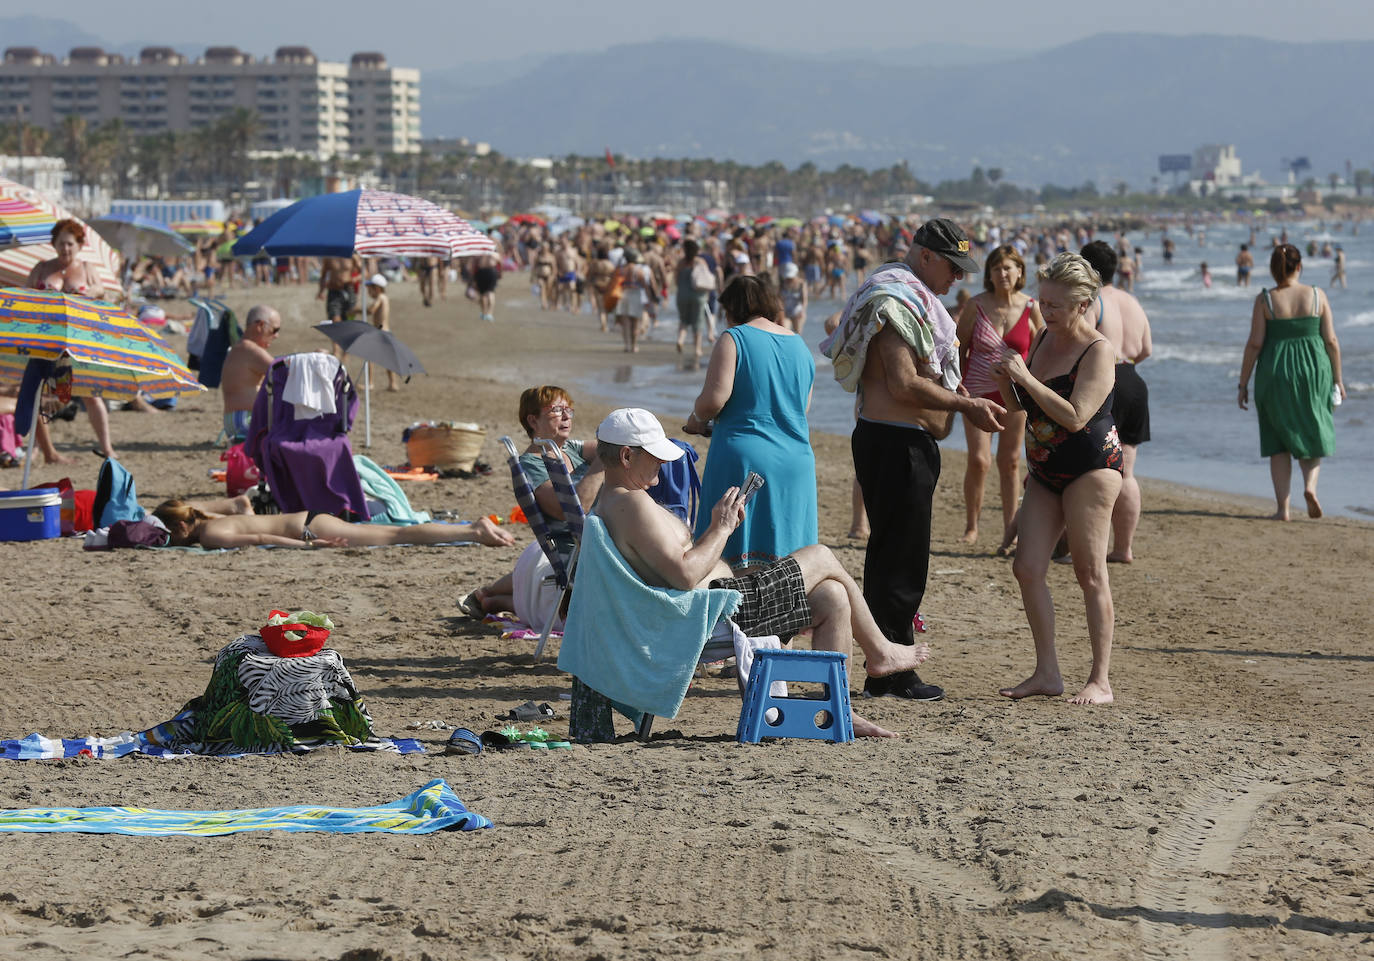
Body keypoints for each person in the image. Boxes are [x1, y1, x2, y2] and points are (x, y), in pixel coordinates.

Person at [594, 408, 934, 739]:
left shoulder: (615, 500)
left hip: (713, 605)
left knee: (832, 595)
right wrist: (722, 528)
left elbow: (673, 568)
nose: (663, 462)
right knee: (821, 555)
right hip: (711, 615)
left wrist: (721, 535)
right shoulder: (631, 504)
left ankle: (842, 709)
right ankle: (879, 652)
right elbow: (684, 575)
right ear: (627, 456)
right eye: (654, 455)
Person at [822, 218, 1005, 702]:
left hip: (896, 441)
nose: (959, 278)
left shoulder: (904, 296)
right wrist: (966, 404)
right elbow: (903, 384)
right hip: (895, 443)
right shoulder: (894, 302)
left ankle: (886, 662)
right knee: (900, 562)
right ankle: (892, 669)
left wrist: (951, 393)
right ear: (925, 256)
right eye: (953, 266)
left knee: (893, 558)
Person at [992, 252, 1123, 706]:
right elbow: (1021, 407)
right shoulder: (1045, 337)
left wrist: (1024, 376)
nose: (1045, 312)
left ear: (1083, 305)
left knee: (1090, 573)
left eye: (1056, 305)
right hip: (1045, 469)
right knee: (1027, 567)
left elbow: (1075, 415)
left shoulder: (1099, 351)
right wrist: (1007, 379)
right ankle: (1047, 671)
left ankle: (1100, 680)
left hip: (1091, 467)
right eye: (1043, 302)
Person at [685, 275, 815, 572]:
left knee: (730, 560)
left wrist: (696, 420)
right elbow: (801, 408)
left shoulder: (734, 338)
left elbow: (713, 400)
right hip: (796, 459)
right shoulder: (799, 344)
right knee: (787, 561)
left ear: (733, 307)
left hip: (744, 458)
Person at [459, 386, 605, 619]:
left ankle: (491, 598)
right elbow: (567, 510)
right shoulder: (532, 463)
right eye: (557, 410)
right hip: (570, 551)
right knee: (554, 605)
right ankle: (493, 599)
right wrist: (601, 464)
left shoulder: (570, 449)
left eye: (569, 410)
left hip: (581, 545)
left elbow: (610, 447)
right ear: (533, 420)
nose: (567, 416)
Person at [1238, 244, 1345, 520]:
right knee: (1314, 426)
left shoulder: (1265, 299)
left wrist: (1243, 383)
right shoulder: (1317, 295)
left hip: (1275, 369)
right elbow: (1331, 341)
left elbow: (1254, 343)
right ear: (1300, 267)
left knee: (1277, 438)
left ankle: (1283, 509)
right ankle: (1310, 487)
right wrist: (1338, 379)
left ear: (1273, 270)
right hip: (1314, 369)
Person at [954, 244, 1043, 547]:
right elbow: (959, 348)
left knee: (1010, 462)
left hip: (1017, 397)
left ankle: (1010, 529)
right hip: (977, 391)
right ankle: (971, 526)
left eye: (1008, 267)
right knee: (979, 460)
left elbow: (1044, 351)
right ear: (989, 274)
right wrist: (959, 386)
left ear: (1020, 272)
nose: (1002, 273)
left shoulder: (1031, 307)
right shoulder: (976, 305)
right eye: (996, 268)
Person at [1080, 242, 1153, 564]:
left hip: (1106, 380)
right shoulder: (1131, 300)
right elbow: (1146, 348)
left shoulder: (1094, 301)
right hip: (1135, 379)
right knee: (1128, 473)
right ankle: (1124, 547)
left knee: (1092, 468)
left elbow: (1079, 343)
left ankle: (1090, 544)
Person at [24, 218, 117, 460]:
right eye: (61, 243)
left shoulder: (86, 269)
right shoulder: (42, 268)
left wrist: (86, 293)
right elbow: (26, 295)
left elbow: (101, 293)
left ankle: (107, 448)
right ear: (54, 244)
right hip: (46, 337)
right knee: (37, 392)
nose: (65, 249)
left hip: (79, 337)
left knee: (91, 394)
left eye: (70, 244)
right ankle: (43, 449)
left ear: (79, 245)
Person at [155, 500, 514, 550]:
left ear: (182, 526)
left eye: (172, 532)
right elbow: (243, 503)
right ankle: (471, 529)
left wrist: (307, 547)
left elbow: (262, 537)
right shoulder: (212, 517)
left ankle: (473, 530)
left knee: (396, 535)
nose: (172, 539)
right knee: (393, 534)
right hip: (310, 518)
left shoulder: (212, 535)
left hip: (311, 531)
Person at [220, 305, 281, 442]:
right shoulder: (250, 350)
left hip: (237, 420)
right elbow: (284, 373)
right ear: (260, 325)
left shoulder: (241, 348)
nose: (276, 336)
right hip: (245, 420)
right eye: (275, 330)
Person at [674, 239, 711, 359]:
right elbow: (706, 278)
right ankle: (697, 349)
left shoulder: (681, 263)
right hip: (698, 295)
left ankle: (680, 339)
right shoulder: (700, 261)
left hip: (682, 295)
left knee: (683, 320)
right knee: (697, 321)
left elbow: (675, 280)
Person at [613, 248, 653, 353]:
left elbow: (614, 283)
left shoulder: (620, 269)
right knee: (635, 323)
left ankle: (626, 345)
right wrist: (649, 300)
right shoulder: (638, 270)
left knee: (625, 323)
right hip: (635, 295)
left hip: (623, 295)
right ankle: (634, 346)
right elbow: (645, 286)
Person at [472, 243, 501, 323]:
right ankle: (489, 313)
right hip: (491, 272)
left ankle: (484, 313)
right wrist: (500, 274)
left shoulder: (480, 253)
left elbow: (474, 265)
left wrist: (473, 277)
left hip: (481, 272)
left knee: (483, 294)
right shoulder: (495, 254)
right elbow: (500, 264)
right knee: (490, 292)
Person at [778, 262, 808, 334]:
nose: (789, 279)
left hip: (797, 312)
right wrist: (781, 313)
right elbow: (779, 300)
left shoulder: (801, 284)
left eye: (791, 277)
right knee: (785, 331)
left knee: (798, 334)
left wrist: (803, 311)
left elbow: (804, 299)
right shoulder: (782, 284)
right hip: (785, 312)